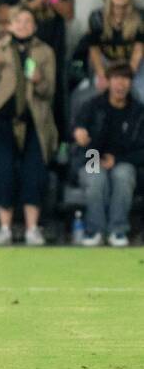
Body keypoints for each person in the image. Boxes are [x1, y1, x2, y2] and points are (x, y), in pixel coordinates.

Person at [0, 6, 58, 246]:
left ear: (34, 26)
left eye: (28, 21)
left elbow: (49, 91)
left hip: (34, 120)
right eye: (18, 21)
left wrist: (39, 80)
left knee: (34, 173)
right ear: (9, 26)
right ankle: (4, 228)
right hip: (3, 119)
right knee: (4, 172)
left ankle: (32, 228)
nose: (23, 25)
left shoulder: (45, 52)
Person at [72, 61, 144, 246]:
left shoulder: (138, 111)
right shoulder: (92, 105)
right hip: (93, 154)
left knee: (123, 175)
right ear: (108, 81)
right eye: (117, 79)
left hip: (124, 158)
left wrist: (117, 159)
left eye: (126, 79)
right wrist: (79, 133)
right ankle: (95, 230)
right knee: (96, 179)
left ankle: (117, 231)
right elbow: (76, 129)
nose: (121, 84)